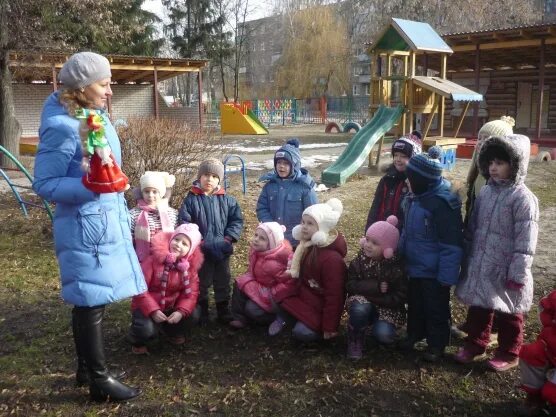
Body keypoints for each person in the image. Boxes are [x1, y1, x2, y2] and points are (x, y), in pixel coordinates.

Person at [32, 52, 144, 402]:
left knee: (91, 300)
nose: (110, 91)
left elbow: (105, 169)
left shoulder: (91, 116)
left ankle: (86, 369)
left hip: (104, 220)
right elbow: (45, 183)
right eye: (105, 84)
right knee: (90, 300)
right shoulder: (62, 127)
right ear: (82, 88)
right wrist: (92, 188)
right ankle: (99, 379)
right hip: (85, 228)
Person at [455, 134, 539, 372]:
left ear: (516, 164)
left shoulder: (523, 199)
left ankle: (510, 352)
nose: (493, 168)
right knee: (480, 307)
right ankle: (475, 343)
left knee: (510, 313)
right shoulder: (486, 193)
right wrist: (467, 252)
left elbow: (526, 242)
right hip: (483, 262)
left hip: (508, 267)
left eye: (500, 163)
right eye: (490, 163)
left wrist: (518, 273)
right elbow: (474, 225)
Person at [397, 147, 463, 362]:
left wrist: (446, 276)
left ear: (423, 180)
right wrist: (400, 253)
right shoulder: (413, 197)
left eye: (411, 178)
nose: (407, 182)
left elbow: (451, 245)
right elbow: (407, 231)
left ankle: (437, 344)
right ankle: (414, 334)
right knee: (415, 304)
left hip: (434, 271)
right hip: (415, 265)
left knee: (436, 309)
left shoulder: (442, 203)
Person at [268, 198, 347, 343]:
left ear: (322, 228)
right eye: (303, 222)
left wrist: (329, 327)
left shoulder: (331, 260)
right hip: (305, 297)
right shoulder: (306, 246)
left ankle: (310, 328)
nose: (304, 227)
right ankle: (291, 320)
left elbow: (334, 295)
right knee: (274, 295)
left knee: (302, 333)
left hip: (319, 305)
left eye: (310, 223)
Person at [178, 158, 244, 325]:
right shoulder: (191, 200)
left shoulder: (228, 200)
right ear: (200, 177)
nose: (210, 179)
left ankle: (223, 309)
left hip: (222, 248)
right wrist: (195, 241)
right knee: (201, 281)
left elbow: (236, 220)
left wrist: (228, 238)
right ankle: (202, 310)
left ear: (219, 180)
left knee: (223, 280)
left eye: (214, 176)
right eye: (206, 175)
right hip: (201, 250)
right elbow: (185, 223)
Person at [128, 223, 204, 354]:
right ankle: (137, 339)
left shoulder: (189, 268)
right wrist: (153, 310)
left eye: (185, 244)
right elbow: (140, 288)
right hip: (147, 307)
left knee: (194, 312)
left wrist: (180, 311)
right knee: (146, 329)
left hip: (171, 306)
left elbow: (191, 294)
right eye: (176, 239)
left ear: (191, 250)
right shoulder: (152, 260)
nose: (178, 245)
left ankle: (172, 331)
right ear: (171, 239)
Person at [346, 215, 408, 360]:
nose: (368, 245)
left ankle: (377, 324)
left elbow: (400, 296)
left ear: (387, 249)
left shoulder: (396, 267)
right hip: (363, 300)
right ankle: (355, 337)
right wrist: (375, 287)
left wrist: (379, 298)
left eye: (375, 243)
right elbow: (350, 284)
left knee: (384, 336)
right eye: (367, 240)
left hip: (387, 308)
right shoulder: (359, 260)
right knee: (360, 308)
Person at [229, 222, 293, 329]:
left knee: (251, 308)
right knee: (240, 282)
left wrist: (274, 293)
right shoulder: (257, 252)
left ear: (272, 244)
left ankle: (277, 319)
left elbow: (288, 282)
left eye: (262, 238)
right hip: (260, 285)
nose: (256, 239)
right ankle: (239, 317)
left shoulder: (274, 264)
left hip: (272, 295)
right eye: (256, 235)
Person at [257, 138, 318, 247]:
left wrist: (306, 232)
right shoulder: (270, 186)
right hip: (273, 238)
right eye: (279, 162)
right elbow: (262, 207)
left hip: (297, 240)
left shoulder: (304, 187)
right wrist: (271, 226)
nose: (281, 166)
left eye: (286, 163)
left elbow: (313, 213)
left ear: (294, 166)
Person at [365, 132, 422, 232]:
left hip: (401, 235)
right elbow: (375, 208)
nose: (398, 159)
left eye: (403, 156)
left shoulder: (414, 183)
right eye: (396, 155)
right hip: (381, 231)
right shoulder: (386, 179)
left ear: (414, 159)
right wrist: (369, 231)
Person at [465, 116, 515, 225]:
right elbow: (472, 204)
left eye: (486, 138)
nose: (480, 142)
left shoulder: (499, 177)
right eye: (479, 138)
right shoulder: (478, 172)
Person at [517, 290, 556, 417]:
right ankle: (535, 397)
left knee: (551, 392)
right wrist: (550, 323)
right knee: (532, 353)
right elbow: (546, 305)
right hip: (550, 347)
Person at [129, 171, 179, 262]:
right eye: (147, 191)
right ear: (142, 193)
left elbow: (177, 236)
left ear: (161, 193)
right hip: (142, 261)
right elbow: (129, 238)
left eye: (155, 192)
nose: (150, 195)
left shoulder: (172, 213)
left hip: (165, 261)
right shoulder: (134, 214)